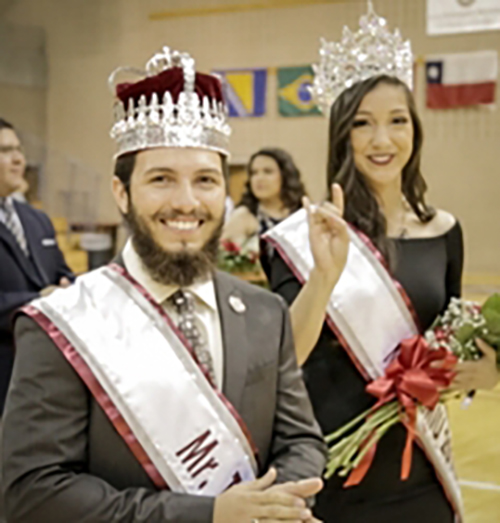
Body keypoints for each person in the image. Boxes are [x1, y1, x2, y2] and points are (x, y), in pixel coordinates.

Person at [1, 47, 326, 523]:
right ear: (122, 193)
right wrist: (209, 515)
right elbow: (32, 492)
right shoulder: (64, 324)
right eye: (161, 179)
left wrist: (273, 507)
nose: (186, 201)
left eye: (206, 180)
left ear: (226, 192)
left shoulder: (264, 312)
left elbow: (301, 440)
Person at [265, 5, 498, 523]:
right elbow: (284, 357)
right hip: (330, 470)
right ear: (342, 135)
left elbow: (450, 340)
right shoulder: (306, 236)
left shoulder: (444, 231)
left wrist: (488, 371)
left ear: (415, 129)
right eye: (363, 124)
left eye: (397, 121)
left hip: (419, 471)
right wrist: (324, 277)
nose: (382, 140)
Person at [0, 118, 73, 415]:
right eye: (5, 151)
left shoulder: (37, 219)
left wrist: (70, 289)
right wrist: (38, 303)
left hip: (44, 375)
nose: (19, 159)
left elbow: (62, 274)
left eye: (18, 149)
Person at [222, 148, 306, 277]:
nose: (259, 178)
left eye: (268, 172)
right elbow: (225, 265)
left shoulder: (302, 214)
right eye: (254, 173)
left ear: (285, 175)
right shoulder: (243, 217)